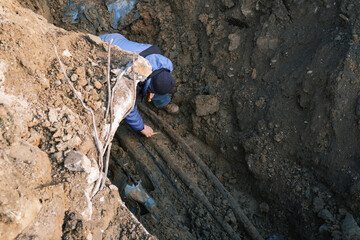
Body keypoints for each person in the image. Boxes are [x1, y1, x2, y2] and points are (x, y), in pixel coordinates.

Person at [99, 33, 179, 137]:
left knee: (158, 82)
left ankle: (163, 102)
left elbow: (156, 77)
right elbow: (128, 106)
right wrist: (141, 127)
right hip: (102, 48)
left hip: (117, 39)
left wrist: (150, 89)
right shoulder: (130, 76)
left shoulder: (158, 57)